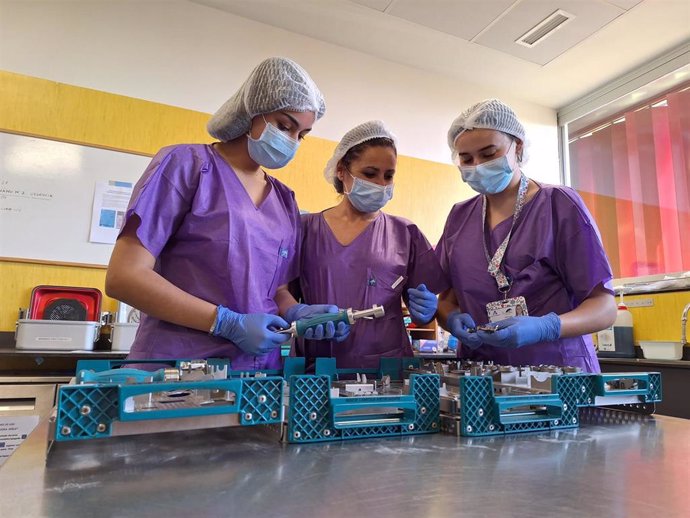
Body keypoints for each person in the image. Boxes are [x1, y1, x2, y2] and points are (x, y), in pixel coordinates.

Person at [106, 57, 346, 370]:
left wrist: (297, 313)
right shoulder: (187, 166)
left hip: (257, 380)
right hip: (176, 373)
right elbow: (125, 277)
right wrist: (225, 323)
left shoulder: (284, 200)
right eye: (284, 126)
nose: (291, 142)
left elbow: (274, 291)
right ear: (252, 111)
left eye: (301, 135)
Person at [435, 99, 617, 372]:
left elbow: (604, 307)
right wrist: (451, 319)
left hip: (558, 374)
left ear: (517, 146)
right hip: (482, 377)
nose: (477, 165)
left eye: (488, 154)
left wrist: (546, 327)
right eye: (466, 158)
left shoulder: (558, 205)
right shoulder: (460, 218)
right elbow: (447, 301)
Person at [295, 120, 449, 369]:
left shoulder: (405, 233)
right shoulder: (304, 229)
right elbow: (282, 297)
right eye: (370, 174)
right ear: (342, 170)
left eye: (388, 176)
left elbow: (425, 303)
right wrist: (295, 313)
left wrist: (427, 308)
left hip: (388, 371)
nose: (381, 184)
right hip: (318, 368)